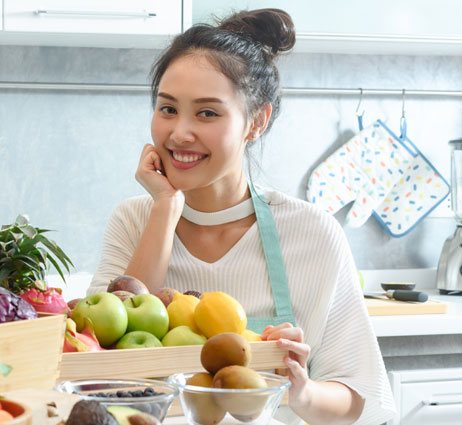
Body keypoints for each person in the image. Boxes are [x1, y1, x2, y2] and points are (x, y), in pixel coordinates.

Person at [88, 8, 396, 425]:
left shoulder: (310, 232)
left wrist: (300, 390)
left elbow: (356, 397)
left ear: (256, 121)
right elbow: (102, 370)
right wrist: (164, 208)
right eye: (167, 109)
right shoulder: (133, 219)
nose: (179, 133)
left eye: (208, 113)